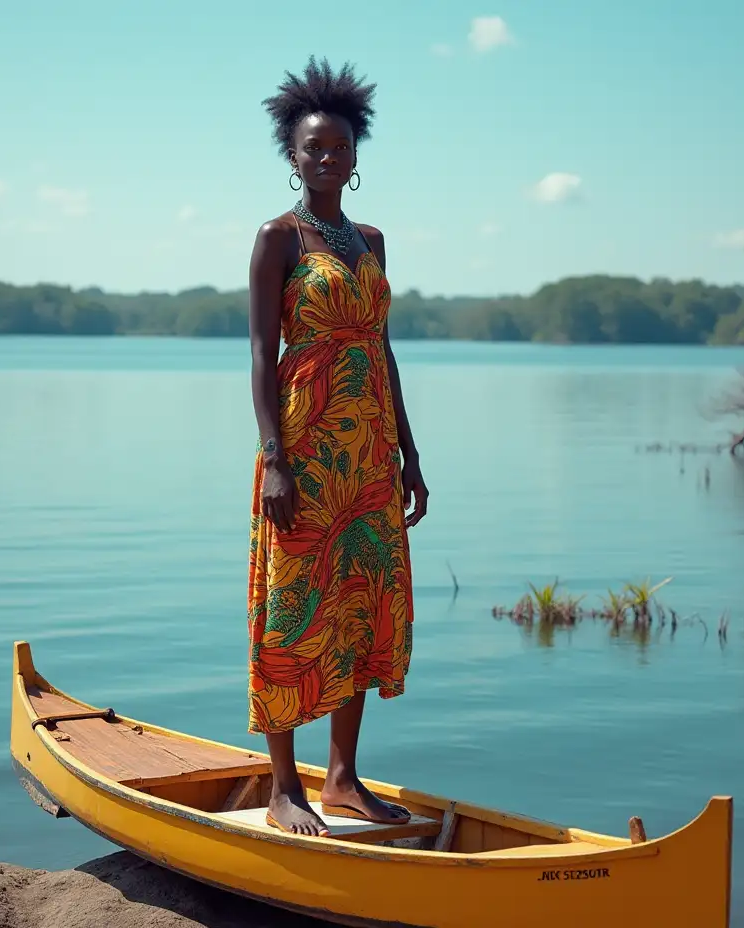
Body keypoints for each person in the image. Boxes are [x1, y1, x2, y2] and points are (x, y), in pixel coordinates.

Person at [246, 57, 429, 837]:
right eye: (313, 148)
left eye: (340, 148)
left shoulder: (373, 241)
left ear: (356, 158)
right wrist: (276, 460)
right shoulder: (278, 239)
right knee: (294, 606)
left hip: (370, 453)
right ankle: (285, 786)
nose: (327, 158)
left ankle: (344, 780)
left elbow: (381, 349)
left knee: (358, 603)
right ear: (292, 155)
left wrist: (410, 453)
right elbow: (260, 352)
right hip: (306, 446)